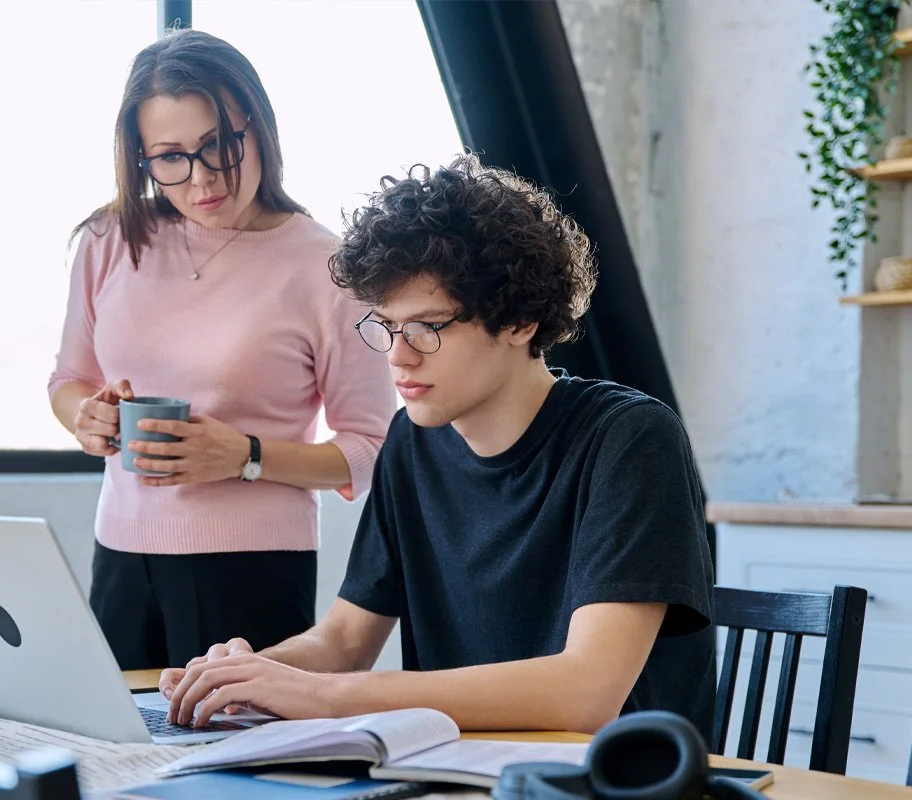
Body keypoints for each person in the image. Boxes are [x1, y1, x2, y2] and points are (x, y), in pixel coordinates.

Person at [159, 153, 717, 737]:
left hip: (609, 781)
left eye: (428, 327)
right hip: (457, 771)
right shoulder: (411, 443)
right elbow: (345, 640)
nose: (399, 356)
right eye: (388, 327)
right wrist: (247, 676)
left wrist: (327, 697)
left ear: (520, 320)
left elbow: (584, 693)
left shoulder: (629, 439)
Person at [47, 30, 394, 671]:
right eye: (170, 157)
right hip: (121, 556)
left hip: (253, 567)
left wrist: (246, 457)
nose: (202, 179)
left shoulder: (328, 265)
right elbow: (69, 378)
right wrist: (85, 417)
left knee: (236, 762)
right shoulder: (109, 238)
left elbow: (372, 451)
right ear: (141, 158)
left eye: (220, 145)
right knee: (118, 758)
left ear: (258, 127)